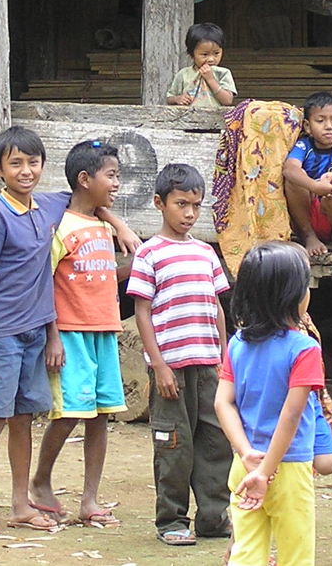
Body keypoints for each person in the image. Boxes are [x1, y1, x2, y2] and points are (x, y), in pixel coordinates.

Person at [0, 127, 70, 536]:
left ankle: (20, 504)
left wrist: (117, 222)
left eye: (33, 162)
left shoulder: (45, 208)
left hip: (34, 334)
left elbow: (86, 198)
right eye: (16, 163)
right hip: (1, 333)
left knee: (23, 420)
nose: (26, 171)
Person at [30, 140, 136, 530]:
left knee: (101, 415)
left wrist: (137, 263)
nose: (117, 184)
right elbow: (45, 282)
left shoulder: (104, 225)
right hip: (71, 333)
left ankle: (89, 499)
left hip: (105, 330)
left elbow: (104, 272)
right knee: (70, 413)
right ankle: (41, 480)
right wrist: (52, 336)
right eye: (112, 176)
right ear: (84, 179)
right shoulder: (61, 226)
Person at [126, 162, 232, 547]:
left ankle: (213, 517)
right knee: (173, 444)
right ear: (159, 203)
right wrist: (159, 365)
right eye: (181, 204)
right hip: (171, 368)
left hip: (208, 366)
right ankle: (171, 520)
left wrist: (224, 359)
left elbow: (218, 308)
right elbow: (142, 312)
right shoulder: (149, 254)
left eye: (196, 206)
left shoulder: (206, 252)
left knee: (215, 441)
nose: (189, 213)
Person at [215, 241, 327, 566]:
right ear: (291, 295)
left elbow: (223, 403)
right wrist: (267, 471)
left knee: (246, 552)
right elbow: (291, 415)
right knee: (296, 553)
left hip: (244, 464)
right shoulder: (304, 349)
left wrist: (246, 453)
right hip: (288, 466)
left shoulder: (237, 343)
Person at [282, 92, 332, 260]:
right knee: (295, 178)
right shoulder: (303, 145)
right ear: (308, 126)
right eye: (320, 121)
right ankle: (309, 237)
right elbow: (290, 169)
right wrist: (315, 186)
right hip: (305, 215)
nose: (329, 126)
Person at [166, 22, 237, 109]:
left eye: (216, 53)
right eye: (204, 54)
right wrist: (177, 99)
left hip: (215, 119)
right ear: (192, 54)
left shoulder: (223, 73)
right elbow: (169, 98)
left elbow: (227, 101)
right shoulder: (183, 74)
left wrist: (211, 80)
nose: (211, 59)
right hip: (187, 120)